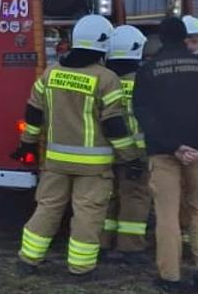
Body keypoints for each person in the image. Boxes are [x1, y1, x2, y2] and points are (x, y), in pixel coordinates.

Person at [13, 15, 137, 279]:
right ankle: (80, 268)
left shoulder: (51, 73)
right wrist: (131, 156)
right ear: (104, 44)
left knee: (47, 208)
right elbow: (114, 124)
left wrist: (27, 144)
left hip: (56, 162)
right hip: (93, 167)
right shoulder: (107, 78)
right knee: (87, 214)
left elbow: (34, 112)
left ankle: (27, 260)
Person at [131, 15, 198, 294]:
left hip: (164, 152)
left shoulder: (148, 70)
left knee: (167, 214)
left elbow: (144, 114)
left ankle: (169, 275)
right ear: (186, 38)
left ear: (160, 38)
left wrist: (174, 146)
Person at [101, 25, 151, 263]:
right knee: (135, 197)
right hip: (138, 154)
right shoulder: (145, 82)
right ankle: (130, 248)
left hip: (106, 152)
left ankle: (102, 242)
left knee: (108, 197)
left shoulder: (105, 81)